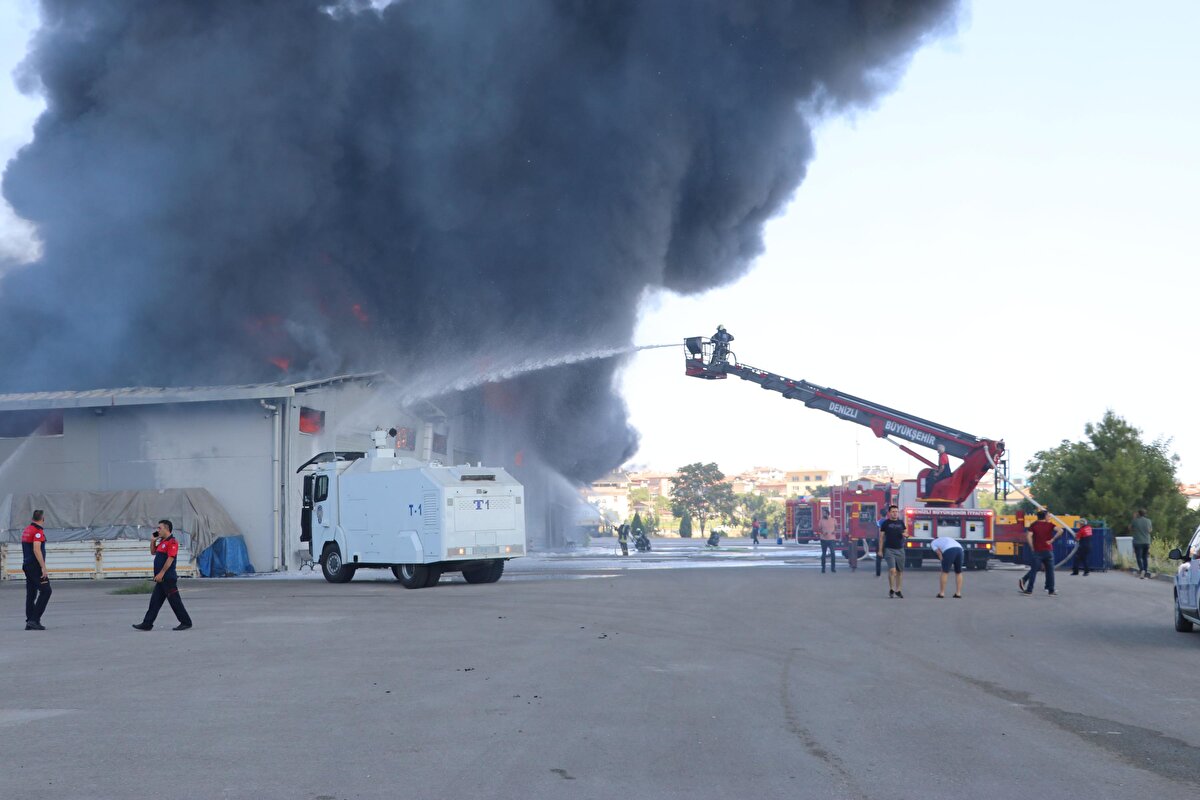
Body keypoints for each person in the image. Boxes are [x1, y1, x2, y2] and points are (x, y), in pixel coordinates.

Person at [132, 519, 193, 631]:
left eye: (160, 528)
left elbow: (170, 559)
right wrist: (152, 541)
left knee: (175, 601)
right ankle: (147, 623)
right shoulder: (162, 542)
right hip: (160, 579)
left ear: (167, 529)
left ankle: (186, 622)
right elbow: (153, 552)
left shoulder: (172, 542)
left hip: (167, 578)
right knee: (155, 602)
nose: (157, 530)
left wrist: (161, 573)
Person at [22, 509, 52, 631]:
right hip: (35, 567)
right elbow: (36, 549)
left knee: (31, 593)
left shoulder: (27, 530)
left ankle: (30, 620)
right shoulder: (38, 532)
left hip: (27, 565)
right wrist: (43, 567)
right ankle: (34, 620)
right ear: (42, 519)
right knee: (46, 591)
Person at [1020, 510, 1062, 596]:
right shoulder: (1050, 525)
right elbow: (1060, 530)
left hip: (1038, 551)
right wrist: (1052, 540)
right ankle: (1051, 591)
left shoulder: (1034, 525)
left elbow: (1028, 536)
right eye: (1048, 515)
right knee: (1050, 571)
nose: (1049, 517)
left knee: (1034, 570)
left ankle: (1029, 590)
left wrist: (1032, 547)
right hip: (1048, 551)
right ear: (1045, 516)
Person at [878, 505, 908, 598]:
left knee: (900, 571)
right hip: (889, 549)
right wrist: (880, 550)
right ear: (889, 513)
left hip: (900, 549)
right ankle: (891, 589)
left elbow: (906, 533)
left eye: (896, 511)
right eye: (893, 511)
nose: (895, 513)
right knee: (892, 570)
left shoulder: (901, 523)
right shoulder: (885, 524)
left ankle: (898, 590)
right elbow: (881, 537)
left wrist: (905, 535)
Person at [1131, 509, 1152, 578]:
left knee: (1139, 557)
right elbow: (1150, 530)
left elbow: (1130, 528)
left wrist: (1134, 518)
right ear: (1145, 514)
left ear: (1138, 514)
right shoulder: (1148, 521)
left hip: (1138, 542)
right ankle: (1145, 571)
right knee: (1145, 557)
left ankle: (1142, 569)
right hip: (1146, 541)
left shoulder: (1135, 521)